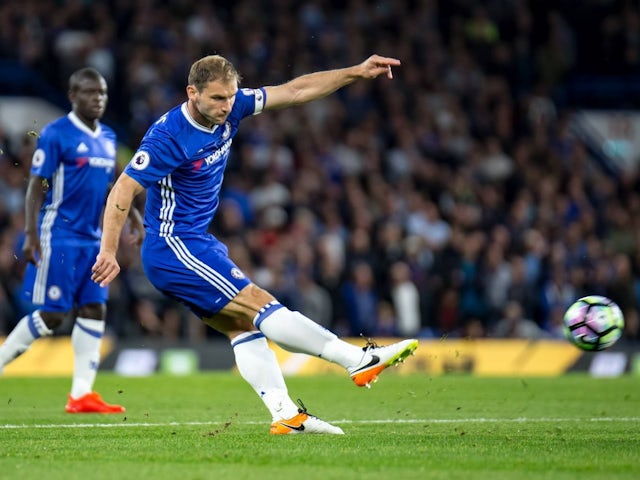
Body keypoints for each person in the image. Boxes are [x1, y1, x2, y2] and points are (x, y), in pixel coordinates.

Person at [91, 54, 418, 434]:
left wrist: (355, 72)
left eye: (230, 97)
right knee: (260, 303)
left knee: (243, 327)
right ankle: (356, 360)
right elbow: (123, 189)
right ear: (192, 93)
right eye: (216, 99)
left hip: (195, 242)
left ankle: (285, 415)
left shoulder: (233, 107)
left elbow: (295, 90)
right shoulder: (168, 136)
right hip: (174, 247)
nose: (226, 106)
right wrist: (108, 251)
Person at [0, 67, 144, 413]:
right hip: (59, 235)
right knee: (54, 314)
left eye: (103, 93)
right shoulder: (56, 134)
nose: (98, 99)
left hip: (95, 240)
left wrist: (133, 216)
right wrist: (32, 234)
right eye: (91, 93)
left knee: (94, 308)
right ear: (73, 96)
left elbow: (111, 185)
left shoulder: (108, 136)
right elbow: (37, 184)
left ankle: (81, 394)